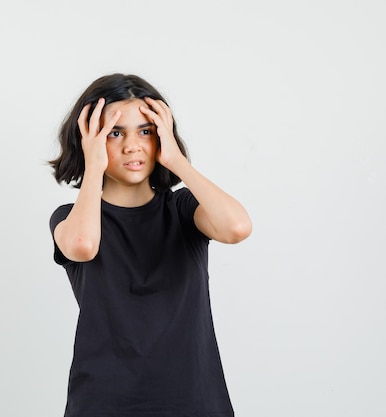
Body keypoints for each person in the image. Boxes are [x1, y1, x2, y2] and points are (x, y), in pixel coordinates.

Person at [48, 73, 252, 417]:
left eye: (146, 131)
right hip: (103, 404)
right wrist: (94, 165)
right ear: (89, 140)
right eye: (115, 133)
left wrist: (176, 161)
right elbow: (83, 246)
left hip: (194, 402)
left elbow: (237, 227)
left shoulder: (184, 209)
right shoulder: (71, 217)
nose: (133, 145)